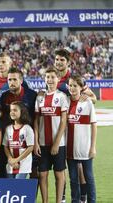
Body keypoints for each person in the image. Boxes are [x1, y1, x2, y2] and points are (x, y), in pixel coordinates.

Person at [34, 68, 69, 203]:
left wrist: (56, 143)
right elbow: (36, 121)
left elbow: (63, 121)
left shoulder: (61, 97)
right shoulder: (40, 97)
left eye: (52, 77)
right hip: (42, 143)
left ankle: (59, 201)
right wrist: (36, 142)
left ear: (58, 79)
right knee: (42, 174)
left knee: (59, 174)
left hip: (58, 144)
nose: (50, 80)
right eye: (47, 77)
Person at [0, 67, 37, 179]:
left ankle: (31, 196)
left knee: (33, 172)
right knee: (8, 173)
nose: (12, 82)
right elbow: (3, 115)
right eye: (9, 80)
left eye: (14, 79)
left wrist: (35, 140)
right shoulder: (4, 96)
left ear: (21, 81)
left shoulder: (32, 95)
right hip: (10, 140)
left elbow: (37, 118)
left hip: (27, 140)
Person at [67, 75, 97, 203]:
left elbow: (94, 125)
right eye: (71, 85)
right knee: (73, 179)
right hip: (69, 148)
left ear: (81, 88)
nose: (72, 88)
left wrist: (93, 147)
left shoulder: (87, 102)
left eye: (75, 86)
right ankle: (75, 200)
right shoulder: (65, 101)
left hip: (85, 147)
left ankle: (92, 200)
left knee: (89, 177)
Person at [3, 101, 34, 179]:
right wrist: (10, 159)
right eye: (11, 110)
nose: (12, 112)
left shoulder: (27, 128)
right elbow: (5, 146)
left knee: (18, 187)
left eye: (15, 110)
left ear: (22, 112)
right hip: (11, 165)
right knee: (11, 189)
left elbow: (30, 147)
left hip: (23, 165)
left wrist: (17, 160)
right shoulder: (8, 129)